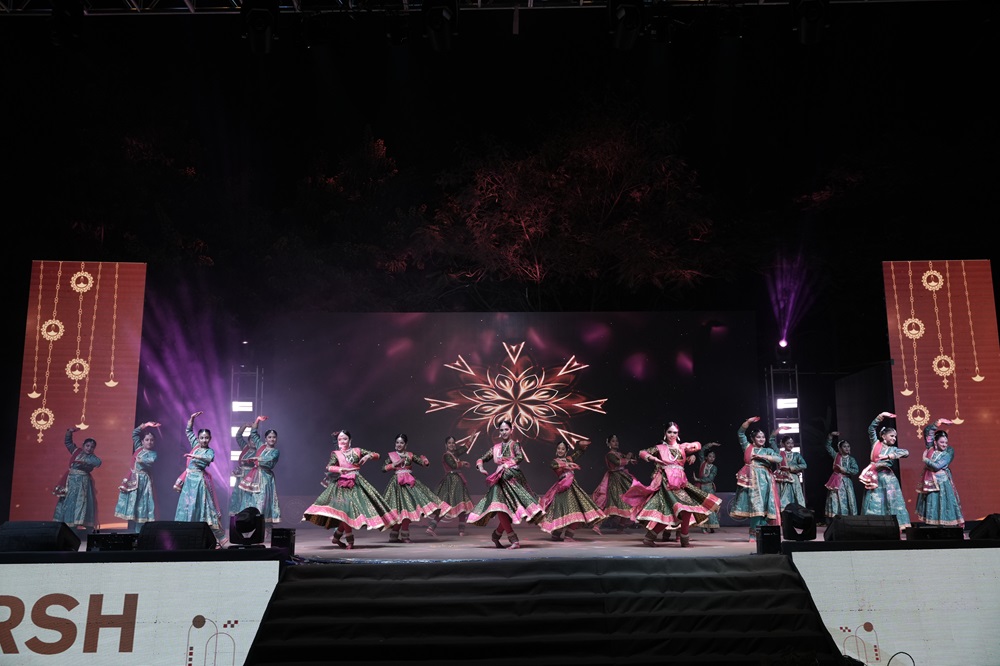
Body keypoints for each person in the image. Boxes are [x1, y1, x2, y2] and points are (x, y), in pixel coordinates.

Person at [624, 422, 721, 547]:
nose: (672, 435)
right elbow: (642, 452)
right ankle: (679, 540)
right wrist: (654, 458)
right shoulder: (660, 448)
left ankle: (659, 538)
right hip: (667, 484)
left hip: (681, 483)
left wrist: (692, 452)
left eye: (675, 432)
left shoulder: (682, 447)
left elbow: (697, 445)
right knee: (676, 511)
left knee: (682, 511)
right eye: (669, 432)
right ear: (665, 433)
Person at [303, 430, 394, 550]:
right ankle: (350, 541)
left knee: (348, 513)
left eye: (345, 439)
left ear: (350, 440)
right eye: (340, 439)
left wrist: (368, 456)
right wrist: (339, 469)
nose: (342, 441)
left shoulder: (357, 451)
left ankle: (336, 538)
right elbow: (329, 466)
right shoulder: (336, 454)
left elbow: (377, 455)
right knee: (345, 512)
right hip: (341, 485)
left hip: (356, 483)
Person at [468, 419, 544, 550]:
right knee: (500, 508)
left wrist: (506, 464)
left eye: (506, 429)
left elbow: (519, 457)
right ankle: (514, 540)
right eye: (501, 430)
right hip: (499, 481)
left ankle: (496, 535)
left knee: (510, 512)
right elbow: (481, 459)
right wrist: (481, 468)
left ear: (511, 430)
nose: (504, 432)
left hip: (513, 480)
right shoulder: (495, 448)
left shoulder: (515, 444)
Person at [381, 433, 450, 543]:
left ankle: (404, 535)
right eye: (397, 442)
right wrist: (395, 464)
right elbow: (383, 468)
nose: (399, 444)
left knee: (408, 510)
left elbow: (422, 463)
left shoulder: (410, 455)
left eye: (401, 443)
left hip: (410, 484)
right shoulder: (392, 456)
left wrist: (425, 462)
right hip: (397, 485)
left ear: (406, 444)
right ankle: (394, 535)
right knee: (398, 511)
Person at [174, 411, 227, 545]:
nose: (204, 440)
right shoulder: (196, 446)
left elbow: (208, 459)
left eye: (206, 438)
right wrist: (192, 418)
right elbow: (188, 431)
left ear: (210, 439)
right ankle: (185, 538)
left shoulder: (209, 451)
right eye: (202, 438)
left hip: (200, 482)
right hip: (189, 483)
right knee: (187, 507)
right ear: (198, 439)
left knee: (205, 508)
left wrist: (194, 456)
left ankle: (214, 539)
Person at [538, 439, 606, 541]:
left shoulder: (569, 459)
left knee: (577, 511)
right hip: (562, 489)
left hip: (573, 488)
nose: (560, 450)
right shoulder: (555, 461)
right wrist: (567, 465)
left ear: (566, 451)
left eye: (563, 449)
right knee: (561, 512)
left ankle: (568, 536)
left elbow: (579, 453)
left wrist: (582, 447)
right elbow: (554, 466)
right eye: (559, 448)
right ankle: (556, 534)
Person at [730, 416, 784, 541]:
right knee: (756, 506)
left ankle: (763, 531)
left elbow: (779, 459)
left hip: (766, 481)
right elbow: (740, 433)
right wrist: (748, 422)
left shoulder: (767, 450)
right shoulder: (748, 447)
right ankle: (753, 533)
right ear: (753, 439)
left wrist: (763, 457)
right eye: (758, 437)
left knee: (766, 507)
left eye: (763, 437)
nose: (761, 439)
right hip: (752, 480)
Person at [859, 411, 911, 531]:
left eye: (895, 437)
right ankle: (873, 526)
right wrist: (881, 416)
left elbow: (906, 453)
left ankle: (894, 526)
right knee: (874, 502)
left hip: (888, 479)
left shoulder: (894, 449)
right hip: (874, 478)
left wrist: (889, 456)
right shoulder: (876, 444)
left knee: (891, 502)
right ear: (883, 436)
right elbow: (871, 429)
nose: (894, 438)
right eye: (891, 436)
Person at [236, 415, 282, 532]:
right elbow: (254, 434)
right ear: (265, 438)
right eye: (269, 437)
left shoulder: (275, 451)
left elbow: (270, 460)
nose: (272, 439)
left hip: (266, 478)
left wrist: (257, 458)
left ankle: (265, 527)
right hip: (254, 476)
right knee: (251, 500)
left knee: (263, 501)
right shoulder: (260, 446)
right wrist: (257, 421)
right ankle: (250, 525)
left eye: (274, 437)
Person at [915, 418, 964, 528]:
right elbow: (927, 431)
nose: (944, 445)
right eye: (942, 442)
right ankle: (936, 532)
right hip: (930, 483)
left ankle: (948, 530)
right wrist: (938, 422)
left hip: (943, 483)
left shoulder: (949, 452)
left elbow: (937, 466)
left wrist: (925, 460)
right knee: (933, 507)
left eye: (946, 442)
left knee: (945, 506)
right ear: (935, 442)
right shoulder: (931, 448)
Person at [113, 421, 160, 533]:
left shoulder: (153, 454)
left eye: (152, 440)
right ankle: (134, 533)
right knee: (133, 506)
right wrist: (146, 425)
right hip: (133, 481)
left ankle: (140, 533)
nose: (149, 442)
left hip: (144, 483)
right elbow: (135, 433)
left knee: (142, 507)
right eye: (147, 440)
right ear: (142, 441)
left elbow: (150, 462)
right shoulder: (138, 448)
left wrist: (141, 461)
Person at [53, 426, 102, 533]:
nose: (89, 448)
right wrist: (69, 432)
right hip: (70, 483)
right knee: (69, 502)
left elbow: (98, 463)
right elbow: (68, 443)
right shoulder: (76, 451)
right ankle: (69, 527)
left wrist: (85, 461)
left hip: (83, 484)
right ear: (83, 445)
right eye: (87, 446)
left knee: (82, 503)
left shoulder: (92, 457)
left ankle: (85, 529)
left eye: (92, 447)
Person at [425, 435, 475, 537]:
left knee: (462, 505)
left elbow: (464, 449)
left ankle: (461, 530)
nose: (451, 445)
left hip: (458, 482)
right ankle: (431, 528)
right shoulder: (446, 455)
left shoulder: (455, 454)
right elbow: (454, 465)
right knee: (445, 506)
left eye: (453, 443)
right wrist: (463, 463)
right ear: (446, 445)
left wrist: (471, 438)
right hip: (450, 482)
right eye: (449, 443)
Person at [590, 434, 638, 533]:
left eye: (616, 441)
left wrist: (631, 457)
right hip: (615, 479)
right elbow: (618, 462)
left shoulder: (619, 454)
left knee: (628, 500)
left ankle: (621, 527)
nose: (616, 443)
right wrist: (628, 459)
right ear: (609, 444)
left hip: (623, 478)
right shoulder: (610, 455)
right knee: (612, 502)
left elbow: (631, 459)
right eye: (613, 441)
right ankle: (597, 525)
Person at [823, 432, 859, 519]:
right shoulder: (836, 456)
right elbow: (828, 447)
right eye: (844, 446)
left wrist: (845, 470)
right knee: (835, 499)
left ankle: (848, 519)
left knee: (848, 499)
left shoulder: (851, 459)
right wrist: (830, 436)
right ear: (840, 448)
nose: (847, 448)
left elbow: (856, 470)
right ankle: (836, 518)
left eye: (848, 446)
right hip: (836, 482)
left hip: (847, 482)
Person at [228, 419, 259, 517]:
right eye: (251, 440)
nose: (253, 442)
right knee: (238, 496)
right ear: (249, 441)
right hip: (241, 476)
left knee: (248, 497)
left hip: (252, 477)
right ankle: (237, 517)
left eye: (255, 440)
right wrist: (245, 425)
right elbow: (238, 436)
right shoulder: (246, 448)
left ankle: (248, 517)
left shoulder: (259, 451)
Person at [692, 442, 721, 533]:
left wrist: (698, 479)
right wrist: (711, 444)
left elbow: (710, 478)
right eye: (710, 456)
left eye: (713, 457)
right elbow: (701, 451)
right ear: (706, 457)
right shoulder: (702, 463)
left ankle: (711, 526)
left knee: (711, 507)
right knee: (702, 508)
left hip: (709, 489)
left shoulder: (714, 468)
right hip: (701, 489)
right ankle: (703, 528)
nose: (712, 458)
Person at [774, 434, 807, 511]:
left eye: (792, 443)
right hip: (782, 479)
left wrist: (790, 468)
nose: (790, 445)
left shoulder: (796, 455)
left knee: (796, 495)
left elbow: (804, 465)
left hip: (794, 478)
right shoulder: (779, 453)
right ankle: (784, 514)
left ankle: (799, 513)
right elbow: (771, 440)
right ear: (783, 444)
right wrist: (777, 430)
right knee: (783, 496)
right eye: (788, 443)